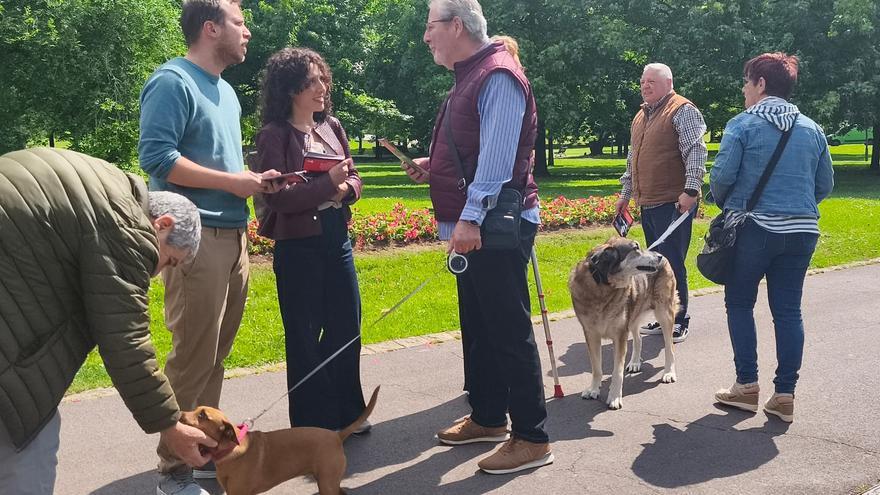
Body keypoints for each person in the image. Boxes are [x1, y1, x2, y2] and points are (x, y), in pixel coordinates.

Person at [0, 148, 214, 495]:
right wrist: (170, 426)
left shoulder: (106, 183)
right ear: (163, 224)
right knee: (28, 441)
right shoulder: (128, 228)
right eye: (169, 261)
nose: (156, 273)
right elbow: (125, 340)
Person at [405, 0, 553, 475]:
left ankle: (531, 437)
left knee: (507, 330)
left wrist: (470, 218)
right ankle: (489, 417)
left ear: (456, 25)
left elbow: (497, 161)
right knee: (482, 327)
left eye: (430, 25)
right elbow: (477, 150)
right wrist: (435, 166)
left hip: (491, 226)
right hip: (478, 226)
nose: (425, 36)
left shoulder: (497, 75)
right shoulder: (474, 75)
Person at [137, 1, 277, 493]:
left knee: (215, 355)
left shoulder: (226, 91)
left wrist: (251, 179)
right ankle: (172, 472)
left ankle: (200, 455)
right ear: (211, 28)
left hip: (234, 236)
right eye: (240, 22)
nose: (248, 32)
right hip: (194, 243)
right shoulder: (172, 82)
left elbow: (220, 166)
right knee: (192, 357)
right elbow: (157, 156)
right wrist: (232, 182)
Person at [250, 47, 368, 433]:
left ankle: (349, 414)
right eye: (312, 81)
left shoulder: (332, 127)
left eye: (322, 79)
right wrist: (328, 184)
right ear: (290, 89)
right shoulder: (274, 135)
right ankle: (313, 424)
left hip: (337, 239)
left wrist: (344, 189)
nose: (322, 87)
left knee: (346, 326)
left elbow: (354, 177)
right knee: (303, 336)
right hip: (298, 246)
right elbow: (278, 198)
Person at [711, 52, 833, 423]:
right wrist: (796, 207)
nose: (743, 90)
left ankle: (746, 386)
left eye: (746, 82)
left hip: (754, 229)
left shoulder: (742, 125)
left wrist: (731, 206)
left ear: (761, 83)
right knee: (788, 311)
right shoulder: (812, 129)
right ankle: (785, 395)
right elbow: (825, 184)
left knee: (739, 302)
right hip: (803, 231)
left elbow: (721, 178)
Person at [614, 63, 708, 343]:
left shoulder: (682, 110)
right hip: (649, 202)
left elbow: (696, 151)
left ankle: (679, 319)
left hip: (673, 203)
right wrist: (625, 194)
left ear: (668, 83)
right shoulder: (641, 115)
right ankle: (663, 315)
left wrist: (691, 189)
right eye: (643, 81)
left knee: (672, 263)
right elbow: (632, 159)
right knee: (655, 263)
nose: (645, 86)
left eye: (651, 81)